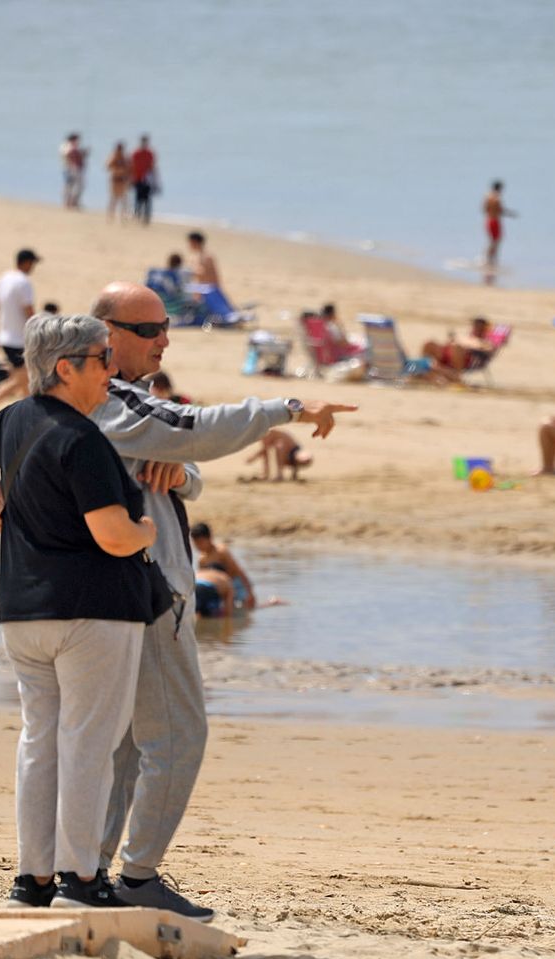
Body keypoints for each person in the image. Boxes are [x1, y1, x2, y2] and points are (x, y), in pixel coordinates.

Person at [88, 280, 356, 918]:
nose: (164, 339)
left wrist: (180, 470)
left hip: (128, 589)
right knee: (178, 736)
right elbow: (198, 430)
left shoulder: (106, 403)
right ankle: (133, 877)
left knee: (124, 744)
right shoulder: (113, 400)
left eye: (165, 327)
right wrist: (289, 405)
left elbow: (187, 464)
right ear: (108, 336)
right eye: (149, 330)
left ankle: (91, 873)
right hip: (146, 589)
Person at [0, 314, 159, 910]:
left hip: (25, 610)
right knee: (88, 743)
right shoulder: (81, 438)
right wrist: (146, 530)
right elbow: (113, 536)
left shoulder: (15, 419)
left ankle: (34, 878)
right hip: (91, 612)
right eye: (102, 359)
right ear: (66, 368)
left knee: (41, 740)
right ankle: (80, 878)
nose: (112, 369)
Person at [0, 249, 41, 418]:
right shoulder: (24, 282)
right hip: (19, 340)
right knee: (21, 379)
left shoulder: (4, 278)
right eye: (32, 263)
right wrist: (39, 333)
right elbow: (29, 311)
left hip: (5, 338)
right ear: (26, 262)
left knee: (23, 380)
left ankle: (29, 414)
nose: (33, 267)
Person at [189, 522, 276, 619]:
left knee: (248, 608)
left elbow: (239, 571)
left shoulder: (221, 551)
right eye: (195, 543)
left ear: (209, 538)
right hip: (222, 587)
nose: (198, 546)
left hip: (236, 583)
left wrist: (250, 592)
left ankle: (272, 602)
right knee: (227, 609)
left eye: (200, 542)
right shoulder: (202, 560)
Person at [422, 317, 496, 377]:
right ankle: (426, 367)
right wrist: (452, 340)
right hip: (448, 352)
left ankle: (456, 375)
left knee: (457, 348)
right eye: (475, 325)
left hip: (465, 358)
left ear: (484, 329)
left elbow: (488, 350)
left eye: (479, 326)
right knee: (430, 344)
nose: (476, 328)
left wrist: (474, 347)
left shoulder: (485, 341)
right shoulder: (466, 337)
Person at [244, 428, 312, 481]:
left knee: (279, 446)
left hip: (294, 452)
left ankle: (279, 474)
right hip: (290, 457)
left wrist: (253, 457)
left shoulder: (267, 433)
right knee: (278, 446)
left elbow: (265, 450)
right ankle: (267, 474)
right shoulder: (266, 434)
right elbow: (265, 453)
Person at [483, 180, 517, 275]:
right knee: (496, 241)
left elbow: (484, 209)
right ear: (499, 188)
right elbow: (501, 210)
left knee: (492, 241)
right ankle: (491, 261)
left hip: (488, 220)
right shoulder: (497, 198)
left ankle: (487, 259)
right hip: (495, 221)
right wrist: (511, 214)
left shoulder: (487, 197)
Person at [130, 134, 156, 225]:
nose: (144, 143)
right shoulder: (135, 153)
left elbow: (153, 167)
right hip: (137, 179)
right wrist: (131, 179)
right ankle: (137, 215)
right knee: (138, 198)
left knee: (147, 199)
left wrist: (155, 180)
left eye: (146, 142)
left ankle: (146, 217)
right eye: (143, 142)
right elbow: (131, 167)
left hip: (147, 180)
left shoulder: (150, 153)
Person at [59, 132, 85, 209]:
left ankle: (70, 202)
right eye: (77, 140)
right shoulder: (68, 147)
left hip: (70, 168)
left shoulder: (67, 146)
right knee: (71, 186)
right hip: (70, 168)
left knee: (71, 186)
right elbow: (69, 156)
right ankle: (70, 202)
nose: (78, 142)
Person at [106, 141, 130, 222]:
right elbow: (108, 166)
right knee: (114, 199)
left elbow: (129, 169)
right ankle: (111, 216)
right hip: (115, 181)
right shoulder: (113, 156)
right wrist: (118, 170)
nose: (120, 150)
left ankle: (123, 216)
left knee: (124, 200)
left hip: (122, 181)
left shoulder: (125, 158)